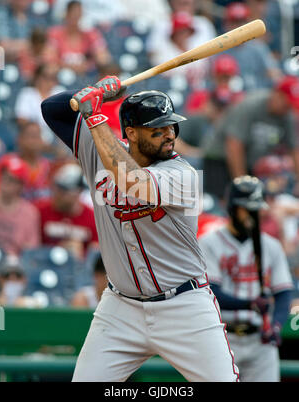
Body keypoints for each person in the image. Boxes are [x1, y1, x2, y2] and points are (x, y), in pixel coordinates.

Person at [41, 76, 239, 382]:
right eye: (157, 129)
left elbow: (132, 181)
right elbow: (53, 109)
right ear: (131, 133)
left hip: (184, 305)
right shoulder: (101, 149)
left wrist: (95, 115)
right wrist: (98, 92)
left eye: (171, 126)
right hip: (121, 309)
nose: (168, 135)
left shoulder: (182, 174)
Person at [199, 175, 294, 382]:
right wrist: (249, 303)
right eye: (246, 209)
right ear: (232, 207)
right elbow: (211, 292)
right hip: (222, 337)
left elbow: (284, 293)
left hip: (259, 340)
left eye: (255, 208)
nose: (253, 214)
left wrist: (276, 325)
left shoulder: (270, 245)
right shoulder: (209, 242)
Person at [202, 75, 299, 201]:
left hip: (248, 162)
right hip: (219, 159)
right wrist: (243, 185)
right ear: (277, 94)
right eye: (287, 104)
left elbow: (294, 149)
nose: (288, 109)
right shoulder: (251, 105)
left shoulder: (287, 115)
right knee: (223, 205)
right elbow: (234, 145)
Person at [35, 163, 98, 260]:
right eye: (58, 188)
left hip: (78, 269)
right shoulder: (39, 210)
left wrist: (82, 252)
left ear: (79, 192)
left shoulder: (92, 217)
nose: (59, 194)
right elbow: (31, 247)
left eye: (65, 190)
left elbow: (96, 254)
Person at [221, 2, 282, 90]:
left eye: (241, 22)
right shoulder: (219, 48)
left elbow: (275, 74)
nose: (238, 26)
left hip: (256, 96)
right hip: (229, 97)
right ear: (226, 24)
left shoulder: (258, 47)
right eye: (234, 22)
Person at [48, 0, 112, 77]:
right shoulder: (55, 33)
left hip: (86, 74)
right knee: (50, 69)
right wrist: (70, 66)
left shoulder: (91, 33)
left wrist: (89, 64)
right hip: (61, 75)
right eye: (73, 14)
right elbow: (49, 58)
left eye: (78, 14)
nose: (75, 17)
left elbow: (103, 57)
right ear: (66, 14)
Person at [0, 154, 40, 256]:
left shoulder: (29, 213)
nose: (6, 182)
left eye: (12, 180)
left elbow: (31, 250)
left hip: (14, 264)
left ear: (21, 185)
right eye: (4, 177)